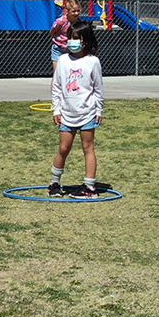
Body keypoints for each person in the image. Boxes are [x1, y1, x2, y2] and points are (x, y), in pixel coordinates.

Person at [47, 22, 104, 199]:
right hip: (67, 113)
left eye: (77, 38)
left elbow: (98, 89)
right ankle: (54, 183)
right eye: (71, 37)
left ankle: (89, 187)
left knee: (88, 148)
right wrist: (56, 109)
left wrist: (98, 110)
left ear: (85, 41)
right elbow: (57, 87)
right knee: (63, 148)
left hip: (87, 112)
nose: (73, 42)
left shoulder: (93, 62)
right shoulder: (63, 60)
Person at [50, 0, 82, 71]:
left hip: (72, 48)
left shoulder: (79, 22)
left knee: (71, 71)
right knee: (57, 72)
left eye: (78, 11)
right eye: (73, 11)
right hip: (58, 48)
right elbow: (53, 31)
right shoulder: (61, 21)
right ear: (67, 11)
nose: (76, 13)